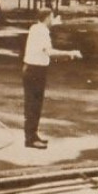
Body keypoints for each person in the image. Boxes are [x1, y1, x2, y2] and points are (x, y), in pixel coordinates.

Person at [21, 8, 65, 149]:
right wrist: (70, 53)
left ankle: (33, 135)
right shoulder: (43, 32)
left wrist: (55, 22)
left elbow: (46, 27)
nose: (53, 20)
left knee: (33, 105)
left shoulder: (35, 27)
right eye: (51, 17)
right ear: (46, 18)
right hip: (35, 71)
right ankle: (30, 139)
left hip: (31, 70)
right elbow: (50, 52)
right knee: (34, 106)